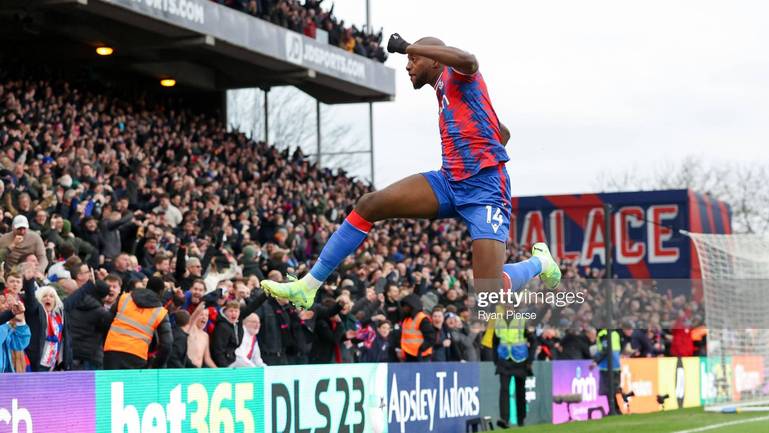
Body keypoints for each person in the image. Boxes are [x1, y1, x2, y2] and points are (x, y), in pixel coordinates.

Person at [260, 34, 561, 310]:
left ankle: (539, 261)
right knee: (368, 204)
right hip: (449, 182)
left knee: (488, 294)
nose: (408, 65)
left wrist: (407, 46)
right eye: (407, 59)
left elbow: (469, 60)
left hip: (485, 192)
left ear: (434, 59)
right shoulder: (444, 92)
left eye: (413, 60)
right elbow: (502, 131)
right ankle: (308, 286)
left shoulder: (458, 74)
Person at [103, 276, 172, 369]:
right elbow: (167, 345)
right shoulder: (160, 312)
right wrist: (156, 366)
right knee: (130, 384)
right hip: (136, 355)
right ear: (161, 292)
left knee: (110, 383)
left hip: (112, 350)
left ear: (147, 286)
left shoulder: (125, 298)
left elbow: (105, 323)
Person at [493, 309, 530, 428]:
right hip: (504, 360)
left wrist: (530, 360)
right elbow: (495, 342)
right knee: (504, 389)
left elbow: (533, 341)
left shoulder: (522, 321)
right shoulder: (498, 322)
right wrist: (496, 360)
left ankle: (521, 420)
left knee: (520, 391)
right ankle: (504, 419)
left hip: (520, 360)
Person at [211, 291, 267, 367]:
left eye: (236, 311)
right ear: (225, 312)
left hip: (232, 359)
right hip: (224, 364)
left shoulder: (238, 320)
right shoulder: (222, 327)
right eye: (231, 311)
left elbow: (253, 306)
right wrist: (225, 369)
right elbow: (218, 351)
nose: (234, 313)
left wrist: (265, 294)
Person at [67, 280, 113, 370]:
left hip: (71, 354)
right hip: (91, 358)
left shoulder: (73, 304)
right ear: (103, 297)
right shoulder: (101, 313)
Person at [397, 294, 435, 362]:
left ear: (412, 306)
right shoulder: (406, 319)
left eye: (406, 306)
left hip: (421, 356)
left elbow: (431, 338)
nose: (404, 308)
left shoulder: (422, 318)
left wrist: (420, 349)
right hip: (409, 354)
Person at [0, 298, 30, 373]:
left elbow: (19, 344)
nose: (9, 304)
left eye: (13, 303)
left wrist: (21, 322)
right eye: (4, 302)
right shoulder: (4, 327)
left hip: (5, 375)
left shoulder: (9, 327)